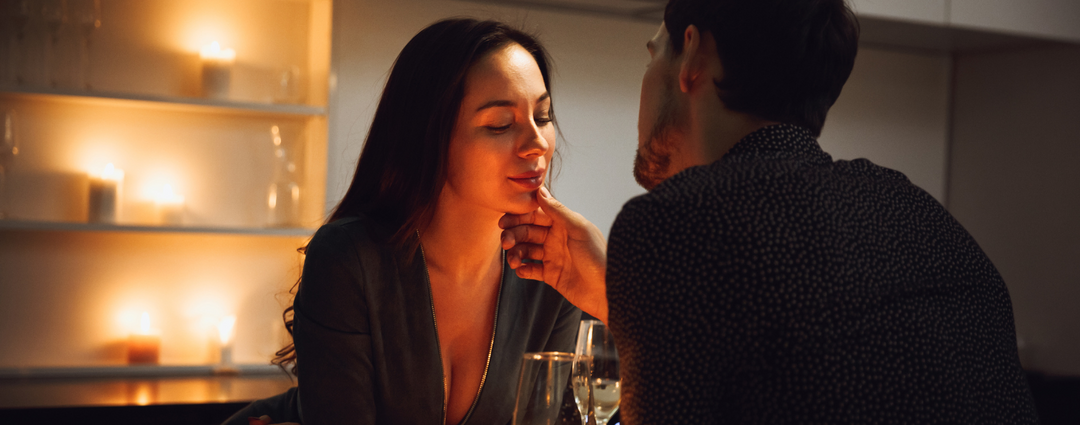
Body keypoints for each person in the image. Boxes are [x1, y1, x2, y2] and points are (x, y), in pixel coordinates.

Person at [499, 0, 1039, 423]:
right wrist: (620, 294)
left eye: (651, 52)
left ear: (692, 57)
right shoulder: (918, 212)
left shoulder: (677, 224)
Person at [223, 18, 596, 425]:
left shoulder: (551, 269)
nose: (538, 144)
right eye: (500, 125)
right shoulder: (349, 260)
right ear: (429, 136)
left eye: (542, 117)